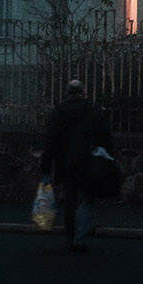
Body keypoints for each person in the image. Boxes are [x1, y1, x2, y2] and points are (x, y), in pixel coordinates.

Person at [38, 78, 113, 252]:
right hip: (88, 161)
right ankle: (80, 236)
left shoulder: (59, 112)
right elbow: (104, 136)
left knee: (70, 201)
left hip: (65, 162)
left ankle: (71, 237)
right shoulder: (92, 109)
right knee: (86, 199)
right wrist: (109, 158)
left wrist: (46, 168)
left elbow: (50, 142)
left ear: (67, 93)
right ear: (83, 92)